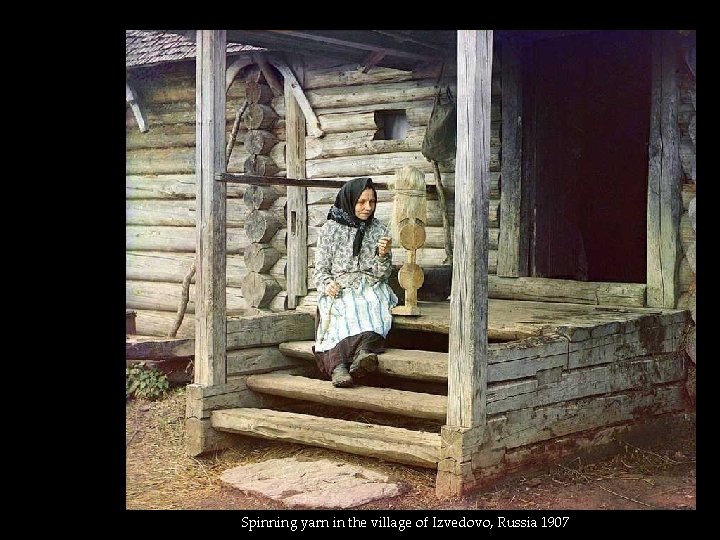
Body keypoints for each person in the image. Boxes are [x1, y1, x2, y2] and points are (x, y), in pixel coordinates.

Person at [313, 177, 397, 387]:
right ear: (350, 201)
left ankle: (363, 356)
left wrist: (383, 256)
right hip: (339, 287)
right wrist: (327, 284)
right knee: (343, 307)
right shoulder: (330, 230)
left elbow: (381, 275)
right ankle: (338, 368)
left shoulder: (378, 230)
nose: (368, 207)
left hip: (368, 285)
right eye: (361, 202)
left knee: (370, 303)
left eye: (372, 202)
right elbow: (320, 270)